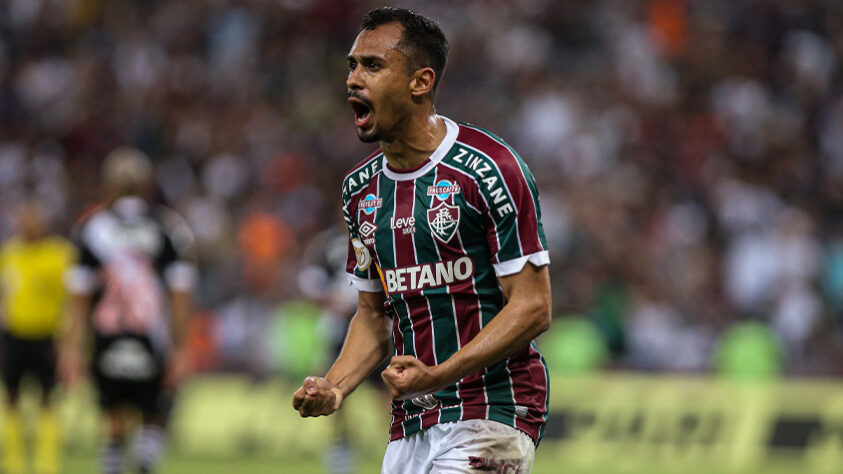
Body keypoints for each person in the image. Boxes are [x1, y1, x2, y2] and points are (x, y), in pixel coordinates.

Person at [292, 7, 552, 473]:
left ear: (420, 82)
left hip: (494, 411)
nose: (353, 79)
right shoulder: (360, 191)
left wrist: (439, 374)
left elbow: (533, 306)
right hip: (411, 422)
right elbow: (373, 316)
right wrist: (336, 385)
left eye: (373, 65)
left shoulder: (489, 169)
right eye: (352, 65)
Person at [59, 147, 197, 474]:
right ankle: (145, 465)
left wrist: (71, 349)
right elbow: (180, 295)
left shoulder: (90, 227)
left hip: (107, 335)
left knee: (113, 420)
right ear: (148, 184)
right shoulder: (169, 227)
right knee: (154, 414)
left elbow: (77, 300)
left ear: (107, 185)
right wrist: (182, 347)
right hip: (152, 334)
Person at [0, 197, 75, 474]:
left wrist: (67, 340)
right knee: (11, 396)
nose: (27, 225)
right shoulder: (10, 253)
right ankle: (14, 462)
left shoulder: (59, 255)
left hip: (46, 337)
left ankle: (46, 463)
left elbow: (69, 300)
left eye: (32, 219)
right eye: (22, 219)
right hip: (15, 335)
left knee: (47, 397)